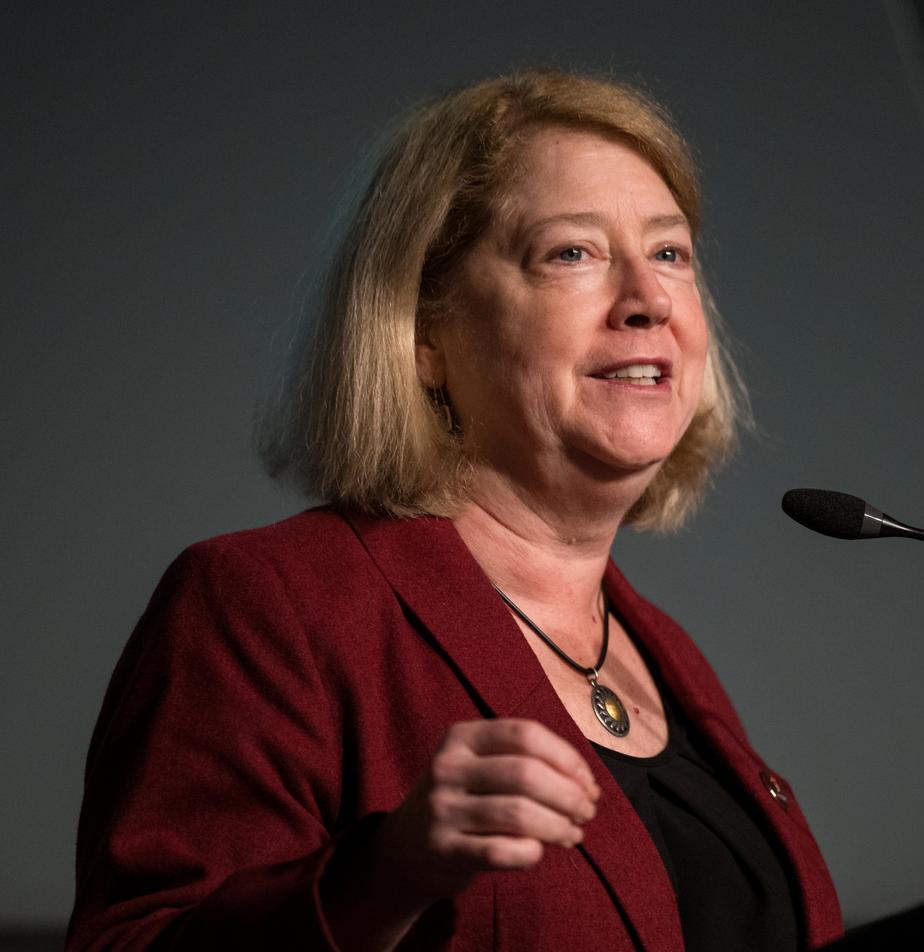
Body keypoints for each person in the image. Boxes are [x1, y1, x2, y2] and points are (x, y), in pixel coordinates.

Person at [68, 70, 843, 951]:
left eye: (670, 253)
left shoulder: (670, 659)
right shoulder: (270, 603)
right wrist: (382, 877)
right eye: (572, 253)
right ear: (424, 335)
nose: (649, 300)